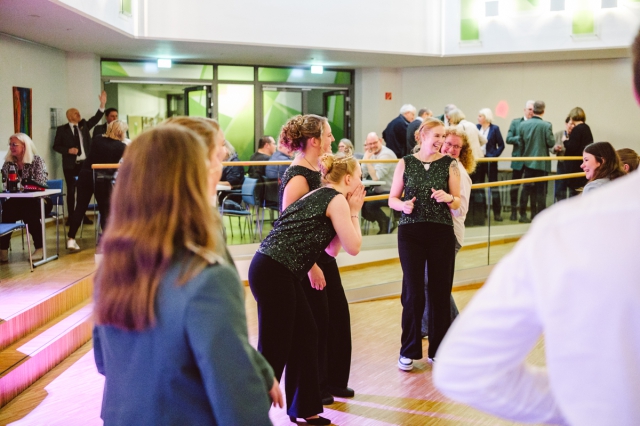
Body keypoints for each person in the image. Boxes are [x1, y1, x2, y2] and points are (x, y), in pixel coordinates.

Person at [433, 29, 640, 426]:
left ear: (634, 90)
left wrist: (595, 405)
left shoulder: (572, 228)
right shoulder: (571, 224)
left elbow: (467, 368)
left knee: (526, 199)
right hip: (535, 171)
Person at [92, 125, 281, 425]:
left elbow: (104, 362)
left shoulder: (111, 269)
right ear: (190, 181)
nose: (218, 165)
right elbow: (237, 402)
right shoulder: (206, 279)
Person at [249, 153, 365, 425]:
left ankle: (304, 409)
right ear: (349, 179)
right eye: (360, 177)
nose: (362, 183)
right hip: (274, 271)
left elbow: (331, 250)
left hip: (275, 269)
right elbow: (354, 247)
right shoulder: (336, 199)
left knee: (306, 334)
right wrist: (355, 211)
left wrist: (348, 213)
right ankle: (249, 414)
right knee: (275, 348)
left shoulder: (324, 195)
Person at [278, 115, 355, 405]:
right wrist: (311, 267)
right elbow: (288, 228)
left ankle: (333, 380)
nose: (332, 139)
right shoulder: (299, 176)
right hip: (306, 260)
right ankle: (317, 387)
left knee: (337, 316)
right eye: (328, 134)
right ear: (314, 140)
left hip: (322, 253)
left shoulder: (318, 168)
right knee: (318, 322)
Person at [388, 118, 461, 370]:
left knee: (440, 291)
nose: (441, 141)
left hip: (441, 233)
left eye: (443, 137)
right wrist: (403, 205)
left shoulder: (450, 164)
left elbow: (457, 201)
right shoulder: (405, 162)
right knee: (413, 292)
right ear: (422, 136)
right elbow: (392, 199)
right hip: (411, 232)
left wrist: (448, 197)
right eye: (437, 136)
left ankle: (438, 349)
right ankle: (408, 350)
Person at [421, 126, 475, 338]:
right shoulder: (437, 166)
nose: (451, 149)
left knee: (433, 282)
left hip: (450, 235)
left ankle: (455, 326)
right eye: (448, 144)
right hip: (434, 233)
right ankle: (427, 326)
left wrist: (447, 199)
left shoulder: (459, 172)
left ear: (462, 151)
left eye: (457, 147)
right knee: (429, 281)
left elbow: (461, 210)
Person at [66, 120, 128, 251]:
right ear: (121, 132)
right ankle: (107, 242)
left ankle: (71, 239)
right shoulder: (122, 147)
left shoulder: (97, 139)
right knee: (105, 209)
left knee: (80, 207)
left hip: (85, 175)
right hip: (103, 179)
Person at [53, 91, 107, 223]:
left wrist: (102, 104)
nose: (79, 114)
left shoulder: (84, 125)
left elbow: (95, 118)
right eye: (76, 113)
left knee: (84, 191)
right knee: (71, 191)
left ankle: (82, 215)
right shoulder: (62, 130)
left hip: (84, 164)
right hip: (70, 165)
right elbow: (56, 146)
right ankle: (72, 217)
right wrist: (68, 150)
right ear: (69, 116)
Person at [0, 133, 52, 262]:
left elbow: (41, 182)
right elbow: (5, 183)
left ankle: (40, 248)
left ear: (24, 146)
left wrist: (21, 186)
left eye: (14, 144)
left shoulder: (37, 161)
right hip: (19, 202)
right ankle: (3, 250)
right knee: (7, 208)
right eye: (10, 144)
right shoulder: (8, 163)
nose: (11, 147)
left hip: (40, 201)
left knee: (29, 208)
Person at [516, 100, 554, 222]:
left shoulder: (523, 125)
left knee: (526, 190)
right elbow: (551, 143)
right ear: (543, 110)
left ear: (533, 110)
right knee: (541, 192)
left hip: (528, 163)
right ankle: (540, 217)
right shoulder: (546, 125)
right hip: (542, 164)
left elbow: (520, 144)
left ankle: (522, 215)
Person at [448, 108, 487, 226]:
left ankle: (470, 219)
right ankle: (481, 216)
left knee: (466, 191)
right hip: (480, 160)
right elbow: (484, 140)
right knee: (478, 189)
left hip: (467, 161)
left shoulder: (458, 129)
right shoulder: (472, 125)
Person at [361, 131, 397, 234]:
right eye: (370, 144)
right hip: (379, 191)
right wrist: (366, 158)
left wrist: (367, 160)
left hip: (391, 192)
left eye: (375, 143)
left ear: (380, 141)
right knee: (359, 200)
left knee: (370, 205)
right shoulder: (370, 153)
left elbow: (375, 177)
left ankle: (386, 222)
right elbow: (362, 173)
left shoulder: (386, 154)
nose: (372, 146)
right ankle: (383, 221)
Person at [506, 100, 534, 221]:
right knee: (515, 187)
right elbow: (508, 139)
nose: (532, 112)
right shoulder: (516, 122)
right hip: (518, 160)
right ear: (524, 110)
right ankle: (513, 212)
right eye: (530, 109)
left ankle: (523, 213)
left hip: (530, 161)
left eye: (533, 110)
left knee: (527, 188)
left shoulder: (535, 123)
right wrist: (519, 138)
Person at [476, 108, 505, 221]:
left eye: (480, 116)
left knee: (494, 187)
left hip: (490, 161)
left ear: (486, 117)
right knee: (479, 187)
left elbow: (501, 145)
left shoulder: (495, 128)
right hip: (479, 161)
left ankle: (497, 213)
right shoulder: (476, 127)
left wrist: (494, 156)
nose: (478, 118)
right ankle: (481, 212)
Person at [563, 107, 594, 195]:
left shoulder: (577, 129)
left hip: (575, 166)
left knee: (574, 191)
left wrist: (565, 141)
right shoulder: (586, 128)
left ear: (572, 117)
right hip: (583, 162)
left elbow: (572, 146)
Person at [551, 116, 575, 202]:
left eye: (574, 124)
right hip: (561, 164)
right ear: (566, 124)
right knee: (560, 188)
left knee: (573, 190)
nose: (572, 126)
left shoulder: (577, 135)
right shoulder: (558, 134)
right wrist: (555, 148)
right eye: (571, 124)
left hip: (573, 165)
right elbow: (551, 147)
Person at [219, 140, 245, 207]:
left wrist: (214, 182)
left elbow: (231, 184)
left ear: (226, 150)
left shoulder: (235, 164)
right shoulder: (224, 163)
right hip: (223, 194)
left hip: (230, 197)